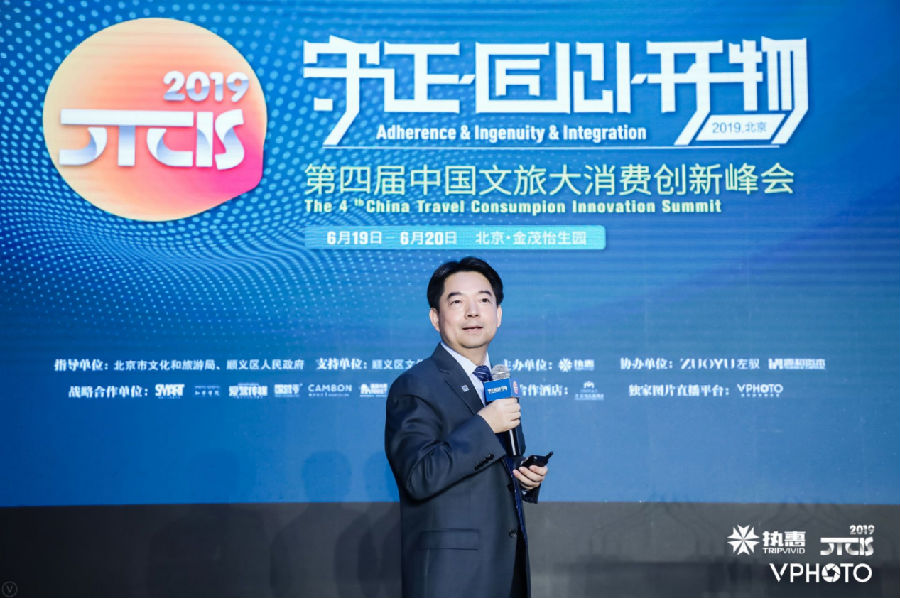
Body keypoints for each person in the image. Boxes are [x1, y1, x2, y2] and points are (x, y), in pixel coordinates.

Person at [384, 256, 548, 598]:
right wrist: (485, 424)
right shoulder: (415, 384)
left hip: (505, 572)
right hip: (453, 579)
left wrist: (522, 476)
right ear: (435, 317)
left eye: (484, 300)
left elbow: (483, 467)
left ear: (498, 314)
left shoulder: (496, 382)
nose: (473, 312)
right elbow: (418, 476)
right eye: (457, 302)